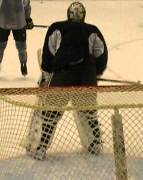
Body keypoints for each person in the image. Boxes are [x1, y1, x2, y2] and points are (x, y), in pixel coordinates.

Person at [26, 1, 108, 160]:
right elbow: (101, 55)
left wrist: (47, 72)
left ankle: (41, 147)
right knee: (89, 112)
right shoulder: (93, 30)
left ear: (67, 15)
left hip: (62, 76)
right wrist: (94, 73)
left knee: (51, 112)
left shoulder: (56, 27)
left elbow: (48, 54)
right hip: (86, 77)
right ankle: (96, 143)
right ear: (84, 16)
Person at [0, 0, 34, 77]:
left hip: (3, 21)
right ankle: (23, 64)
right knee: (21, 46)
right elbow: (27, 5)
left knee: (0, 46)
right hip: (19, 21)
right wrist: (27, 19)